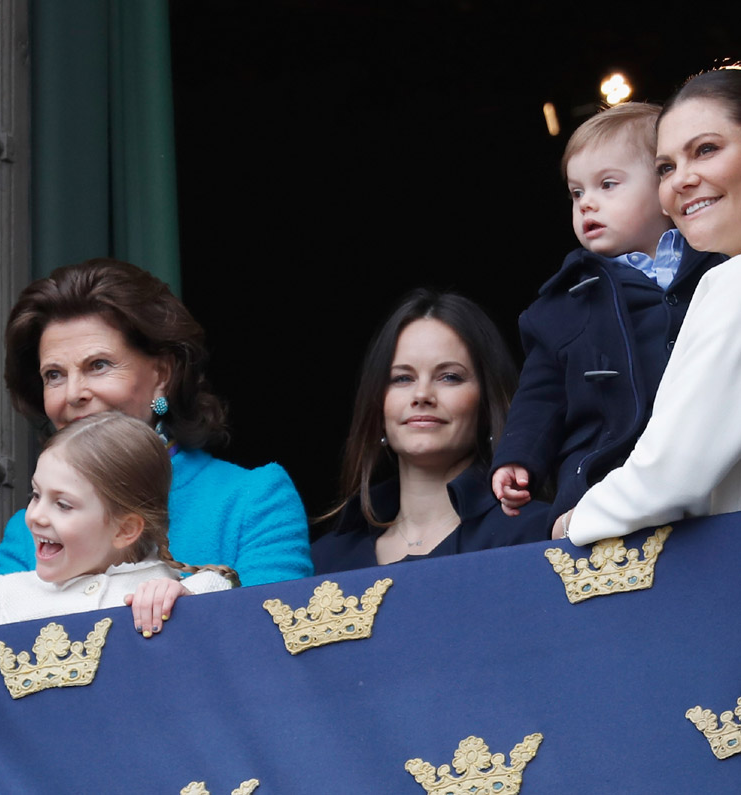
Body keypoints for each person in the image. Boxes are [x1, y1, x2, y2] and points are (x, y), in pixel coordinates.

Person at [0, 258, 312, 586]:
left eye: (99, 365)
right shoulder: (28, 533)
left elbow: (269, 630)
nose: (73, 393)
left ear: (162, 374)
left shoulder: (252, 501)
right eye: (54, 375)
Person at [491, 102, 725, 529]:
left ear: (664, 185)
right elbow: (540, 394)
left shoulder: (719, 261)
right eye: (577, 193)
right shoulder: (563, 302)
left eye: (608, 184)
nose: (587, 205)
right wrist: (518, 456)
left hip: (710, 477)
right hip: (604, 476)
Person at [553, 67, 741, 544]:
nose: (682, 179)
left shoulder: (732, 282)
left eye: (706, 149)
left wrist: (578, 520)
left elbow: (677, 469)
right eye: (665, 167)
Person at [0, 412, 238, 671]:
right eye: (36, 495)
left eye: (63, 504)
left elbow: (221, 594)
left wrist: (179, 598)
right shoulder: (5, 594)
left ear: (124, 530)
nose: (36, 516)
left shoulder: (159, 586)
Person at [311, 289, 549, 575]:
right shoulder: (324, 562)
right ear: (377, 405)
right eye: (402, 378)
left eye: (449, 377)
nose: (422, 394)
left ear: (487, 406)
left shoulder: (536, 535)